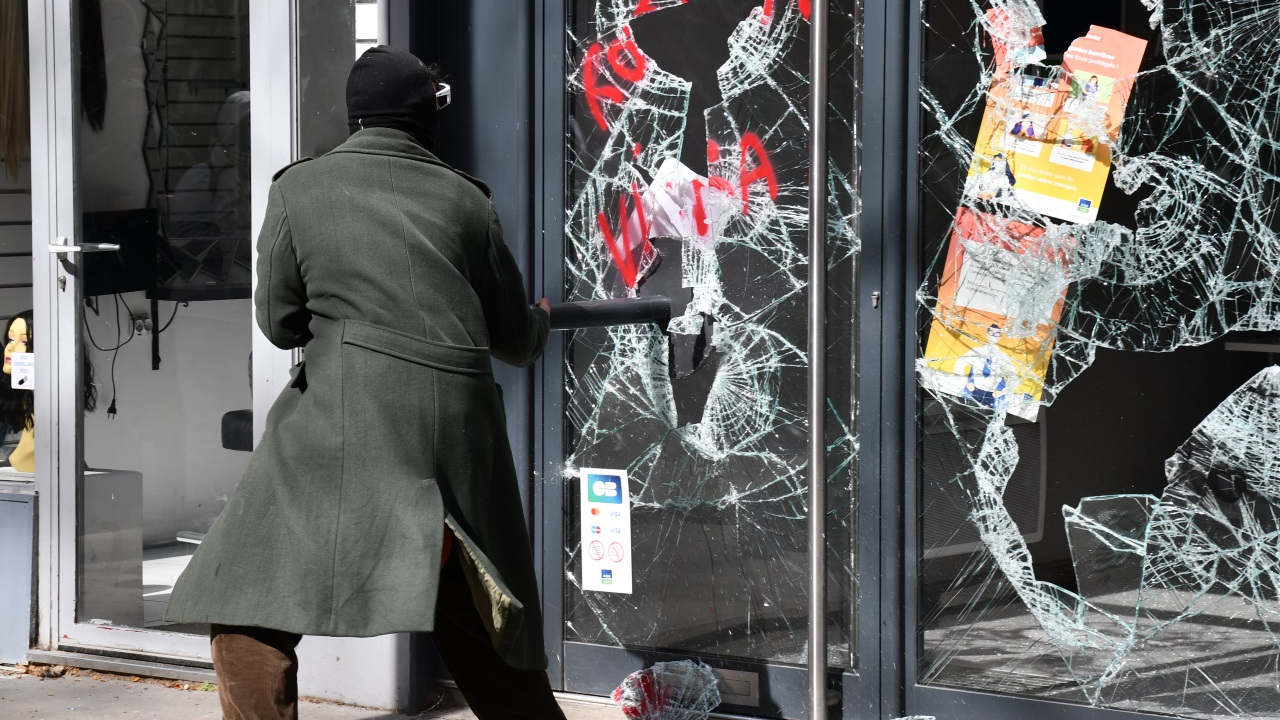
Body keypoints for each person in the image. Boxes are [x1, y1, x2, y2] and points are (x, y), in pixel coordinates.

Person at [165, 46, 561, 720]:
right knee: (478, 621)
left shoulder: (299, 189)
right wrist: (543, 320)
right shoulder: (468, 199)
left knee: (245, 613)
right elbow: (514, 340)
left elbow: (281, 324)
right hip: (452, 452)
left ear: (356, 117)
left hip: (340, 437)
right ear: (422, 117)